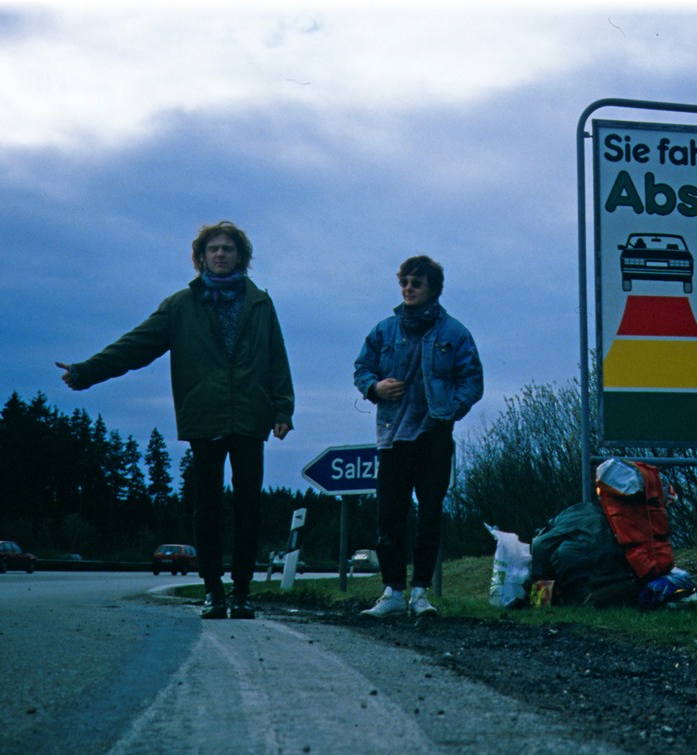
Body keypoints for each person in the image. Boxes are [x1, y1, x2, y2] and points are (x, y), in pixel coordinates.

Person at [56, 220, 294, 620]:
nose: (220, 254)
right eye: (213, 249)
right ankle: (213, 592)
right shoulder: (181, 306)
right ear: (201, 257)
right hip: (205, 416)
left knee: (248, 507)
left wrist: (283, 410)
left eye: (228, 249)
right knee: (207, 507)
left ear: (241, 257)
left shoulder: (260, 304)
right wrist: (86, 372)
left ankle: (242, 593)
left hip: (251, 417)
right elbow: (137, 345)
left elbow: (277, 360)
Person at [353, 255, 483, 618]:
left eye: (417, 283)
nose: (408, 289)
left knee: (429, 516)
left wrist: (447, 411)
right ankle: (392, 592)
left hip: (434, 436)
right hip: (392, 437)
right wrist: (375, 388)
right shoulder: (384, 330)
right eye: (405, 282)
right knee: (389, 517)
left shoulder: (454, 333)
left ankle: (421, 594)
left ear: (433, 289)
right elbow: (362, 368)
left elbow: (472, 380)